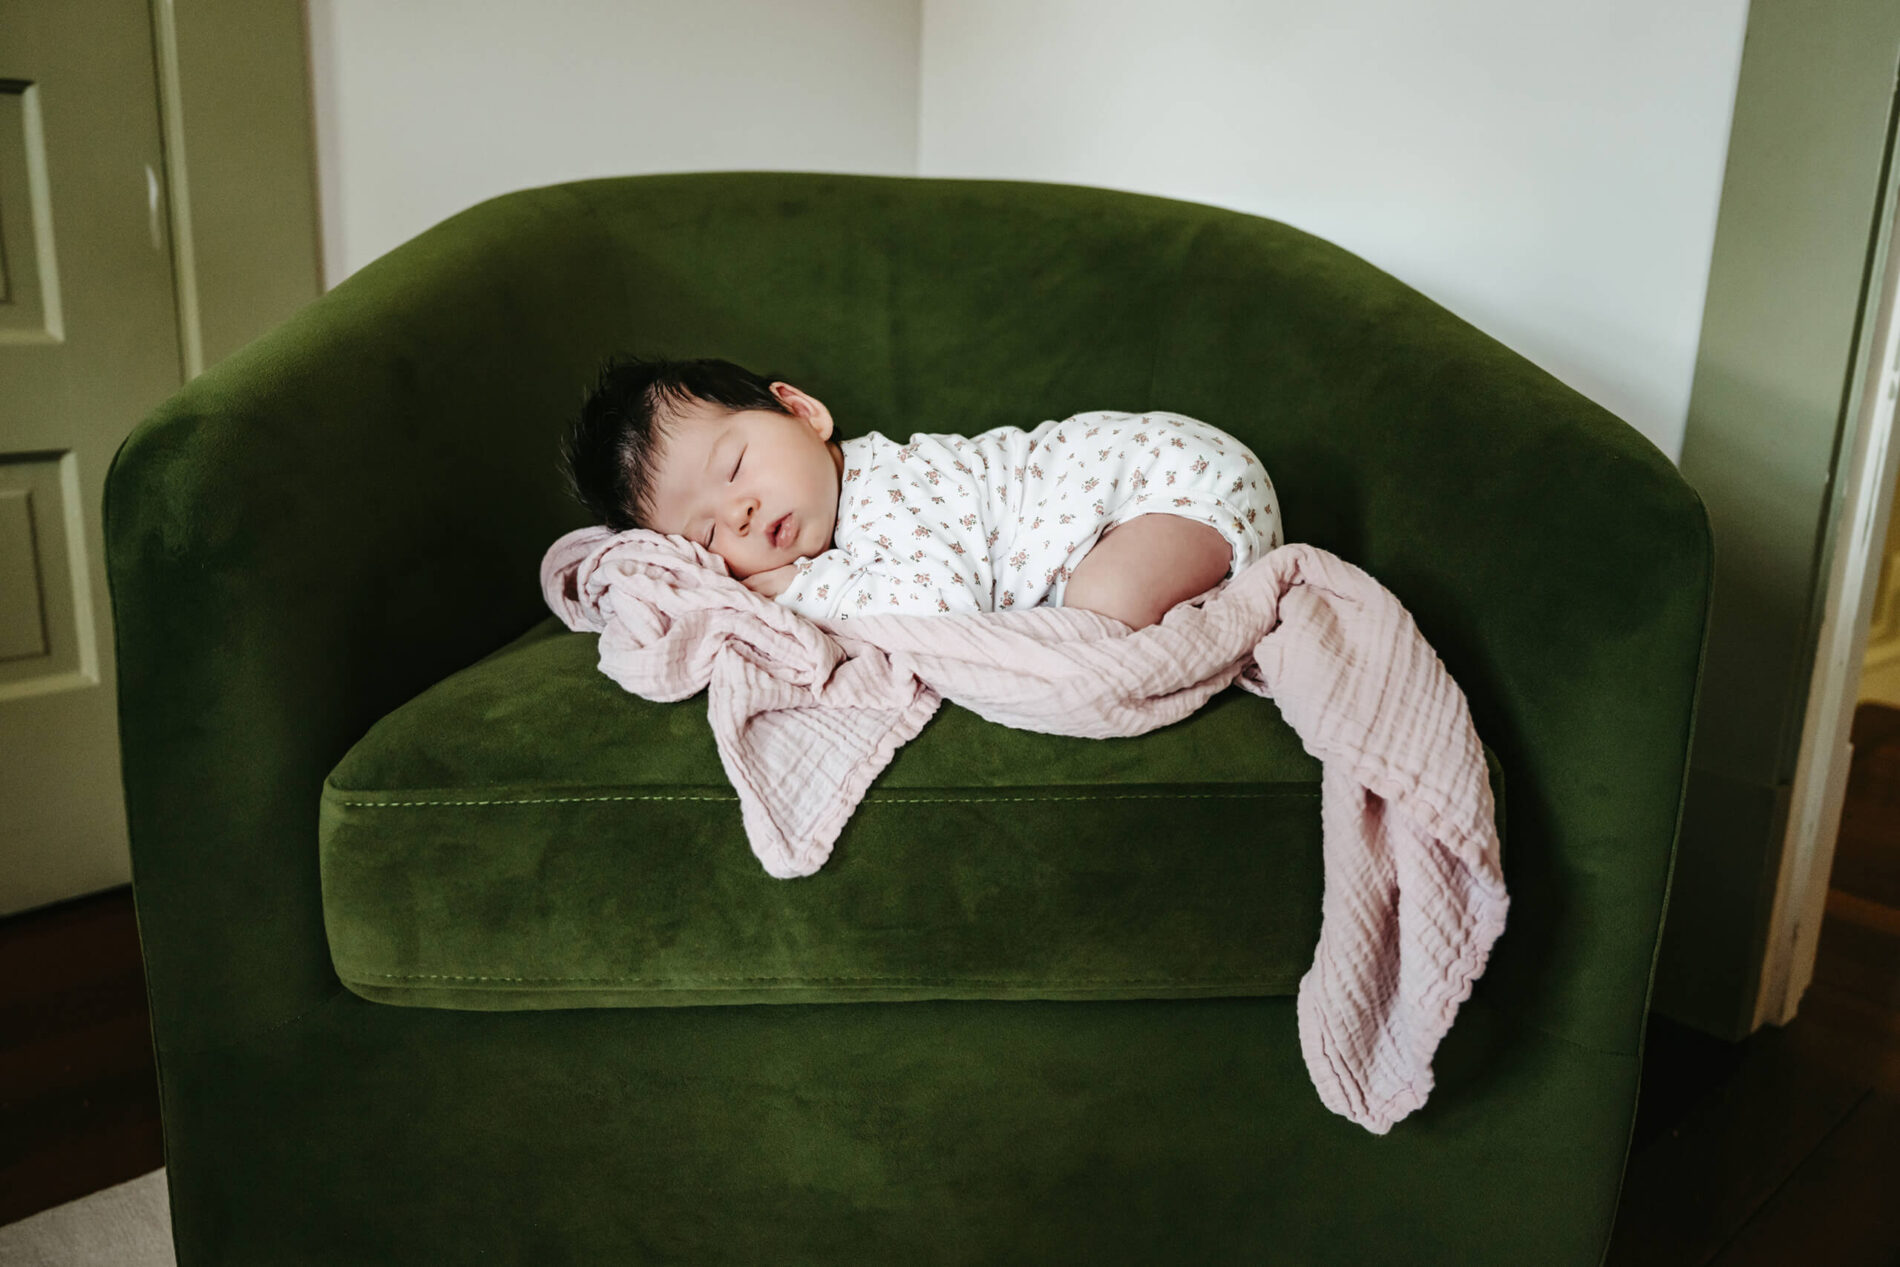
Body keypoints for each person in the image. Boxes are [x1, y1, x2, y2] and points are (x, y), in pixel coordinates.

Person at [559, 354, 1283, 630]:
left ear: (803, 413)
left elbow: (943, 608)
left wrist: (803, 588)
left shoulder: (885, 486)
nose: (739, 513)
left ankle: (1223, 610)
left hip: (1172, 481)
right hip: (1154, 505)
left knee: (1105, 609)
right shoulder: (843, 524)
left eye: (736, 465)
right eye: (708, 534)